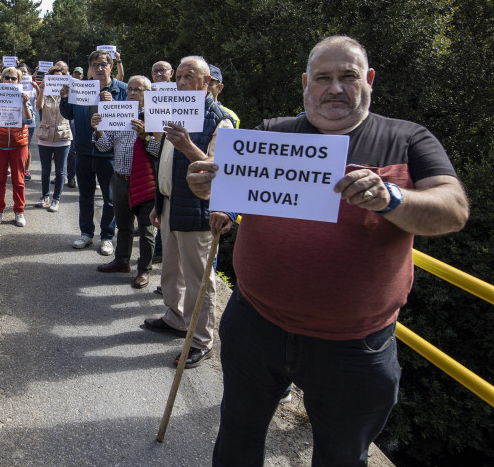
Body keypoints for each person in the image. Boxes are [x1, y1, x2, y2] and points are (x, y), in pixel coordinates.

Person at [186, 36, 469, 466]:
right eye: (323, 78)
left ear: (369, 80)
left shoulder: (406, 139)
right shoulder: (269, 132)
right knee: (237, 435)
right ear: (306, 84)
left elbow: (453, 210)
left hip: (355, 346)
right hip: (254, 325)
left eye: (348, 77)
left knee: (341, 456)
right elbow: (233, 194)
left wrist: (393, 199)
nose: (334, 88)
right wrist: (209, 189)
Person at [142, 57, 233, 372]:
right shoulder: (174, 108)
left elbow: (219, 171)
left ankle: (202, 340)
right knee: (171, 269)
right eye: (177, 77)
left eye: (188, 76)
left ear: (206, 81)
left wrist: (187, 145)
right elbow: (163, 162)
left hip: (198, 212)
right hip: (169, 203)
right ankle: (176, 317)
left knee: (198, 280)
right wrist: (158, 202)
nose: (180, 82)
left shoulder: (220, 121)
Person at [91, 75, 159, 288]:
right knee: (123, 224)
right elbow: (104, 146)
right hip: (120, 178)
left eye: (138, 89)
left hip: (146, 181)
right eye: (130, 88)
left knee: (147, 228)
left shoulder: (155, 117)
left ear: (148, 94)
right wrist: (99, 128)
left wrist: (144, 136)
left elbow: (160, 151)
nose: (132, 92)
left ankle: (144, 269)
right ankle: (122, 260)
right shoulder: (119, 114)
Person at [59, 50, 128, 255]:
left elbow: (129, 118)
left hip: (109, 154)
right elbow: (67, 113)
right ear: (89, 68)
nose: (99, 68)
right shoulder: (80, 88)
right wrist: (64, 98)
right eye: (95, 64)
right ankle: (86, 233)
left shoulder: (121, 89)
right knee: (86, 196)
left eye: (103, 64)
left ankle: (107, 237)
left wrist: (112, 105)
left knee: (109, 198)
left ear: (110, 67)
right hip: (83, 151)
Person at [0, 66, 33, 226]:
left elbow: (29, 120)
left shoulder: (24, 96)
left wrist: (25, 103)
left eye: (14, 78)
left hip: (18, 144)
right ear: (2, 79)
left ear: (19, 81)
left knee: (18, 180)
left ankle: (19, 211)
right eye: (7, 77)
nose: (10, 81)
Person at [33, 62, 72, 212]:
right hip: (45, 136)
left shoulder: (68, 94)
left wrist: (66, 95)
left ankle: (56, 199)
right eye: (54, 78)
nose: (57, 81)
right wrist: (41, 91)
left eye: (60, 78)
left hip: (63, 136)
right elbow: (38, 106)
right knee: (45, 170)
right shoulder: (45, 92)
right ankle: (44, 196)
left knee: (60, 171)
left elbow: (71, 111)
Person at [150, 60, 174, 269]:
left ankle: (161, 251)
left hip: (171, 154)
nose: (158, 74)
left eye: (162, 71)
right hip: (153, 152)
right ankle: (158, 251)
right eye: (155, 71)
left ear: (171, 73)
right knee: (159, 204)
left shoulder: (181, 97)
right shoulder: (149, 95)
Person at [64, 65, 85, 189]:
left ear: (82, 76)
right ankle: (71, 177)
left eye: (79, 74)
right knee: (71, 150)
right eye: (75, 73)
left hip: (83, 120)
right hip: (71, 119)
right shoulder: (68, 86)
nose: (77, 75)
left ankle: (84, 177)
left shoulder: (88, 86)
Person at [18, 62, 37, 181]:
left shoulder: (32, 87)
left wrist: (37, 89)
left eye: (24, 71)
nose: (22, 73)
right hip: (14, 121)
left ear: (28, 73)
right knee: (14, 146)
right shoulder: (12, 85)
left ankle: (26, 170)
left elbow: (39, 104)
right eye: (20, 72)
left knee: (26, 146)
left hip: (29, 122)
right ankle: (13, 168)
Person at [208, 64, 241, 128]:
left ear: (220, 88)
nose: (205, 87)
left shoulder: (230, 115)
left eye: (210, 84)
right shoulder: (189, 110)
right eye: (203, 82)